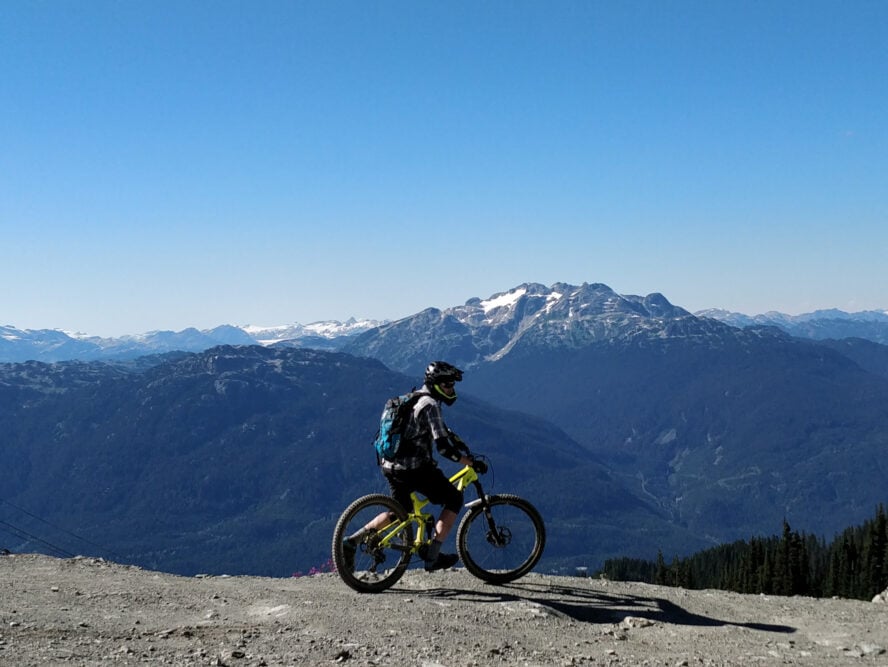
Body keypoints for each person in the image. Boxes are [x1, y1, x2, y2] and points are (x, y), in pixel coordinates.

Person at [346, 361, 487, 572]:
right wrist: (468, 461)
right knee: (454, 498)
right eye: (448, 385)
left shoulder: (412, 398)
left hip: (388, 464)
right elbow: (442, 449)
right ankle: (433, 555)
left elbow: (436, 429)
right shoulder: (430, 405)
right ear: (437, 385)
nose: (452, 389)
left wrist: (456, 441)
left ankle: (351, 541)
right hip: (413, 469)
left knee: (399, 510)